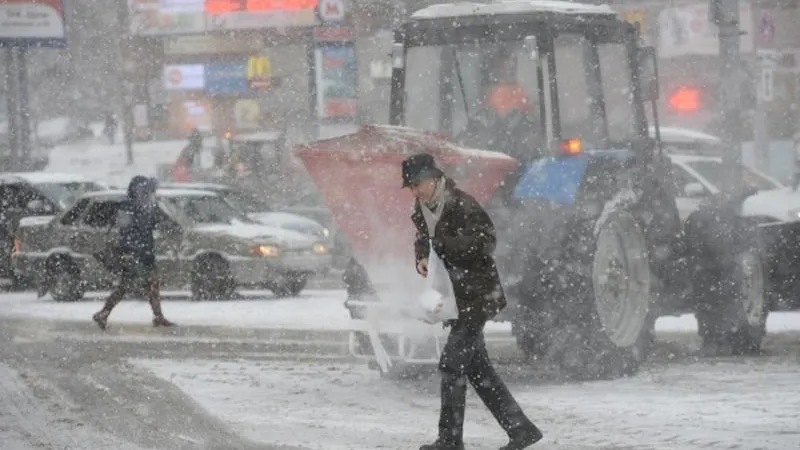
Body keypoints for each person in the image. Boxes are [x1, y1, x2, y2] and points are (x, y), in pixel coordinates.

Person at [403, 153, 542, 450]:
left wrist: (444, 246)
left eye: (417, 184)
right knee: (479, 371)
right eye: (411, 187)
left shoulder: (462, 204)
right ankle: (521, 430)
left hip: (476, 297)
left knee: (452, 365)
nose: (415, 192)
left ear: (434, 178)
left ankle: (450, 441)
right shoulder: (423, 207)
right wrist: (423, 257)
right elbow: (423, 238)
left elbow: (485, 242)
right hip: (455, 297)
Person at [92, 176, 178, 330]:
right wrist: (132, 249)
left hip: (145, 252)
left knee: (143, 285)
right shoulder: (129, 206)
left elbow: (160, 221)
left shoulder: (148, 205)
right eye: (147, 191)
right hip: (134, 253)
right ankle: (104, 313)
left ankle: (105, 313)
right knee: (137, 285)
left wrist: (168, 224)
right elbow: (125, 229)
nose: (150, 194)